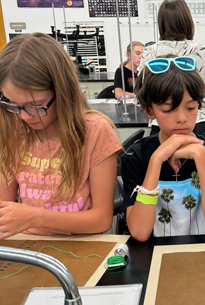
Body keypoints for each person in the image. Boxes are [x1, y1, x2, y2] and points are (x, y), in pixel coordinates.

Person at [0, 33, 122, 238]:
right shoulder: (12, 127)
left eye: (36, 106)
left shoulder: (94, 131)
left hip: (80, 246)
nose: (23, 116)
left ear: (63, 92)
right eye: (13, 104)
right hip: (25, 242)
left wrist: (34, 217)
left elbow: (101, 220)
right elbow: (5, 208)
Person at [122, 56, 205, 241]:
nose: (181, 118)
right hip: (154, 256)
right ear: (150, 110)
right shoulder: (137, 156)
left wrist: (201, 156)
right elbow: (140, 233)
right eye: (168, 110)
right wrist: (157, 159)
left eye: (190, 108)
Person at [139, 0, 205, 139]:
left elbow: (142, 94)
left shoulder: (149, 53)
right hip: (197, 124)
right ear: (187, 20)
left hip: (162, 125)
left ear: (161, 23)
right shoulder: (203, 51)